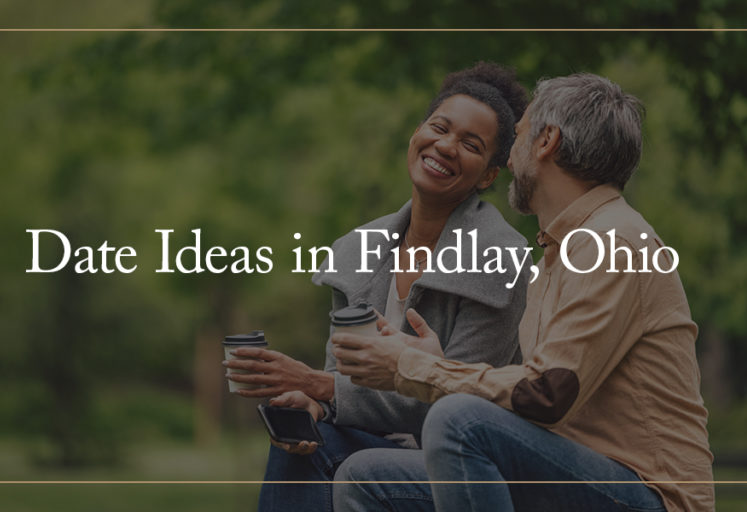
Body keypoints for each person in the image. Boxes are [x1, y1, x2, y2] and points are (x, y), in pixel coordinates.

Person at [330, 73, 715, 511]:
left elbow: (546, 394)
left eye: (518, 135)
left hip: (648, 495)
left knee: (460, 422)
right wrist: (438, 365)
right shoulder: (559, 252)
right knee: (366, 476)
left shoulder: (612, 242)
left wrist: (410, 366)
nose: (511, 158)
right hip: (574, 473)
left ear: (546, 140)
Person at [221, 62, 531, 511]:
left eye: (471, 144)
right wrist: (314, 405)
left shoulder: (499, 258)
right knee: (305, 442)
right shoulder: (357, 250)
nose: (445, 146)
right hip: (376, 443)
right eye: (439, 127)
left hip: (463, 461)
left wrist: (322, 387)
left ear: (488, 175)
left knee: (347, 463)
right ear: (416, 133)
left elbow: (461, 406)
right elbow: (342, 382)